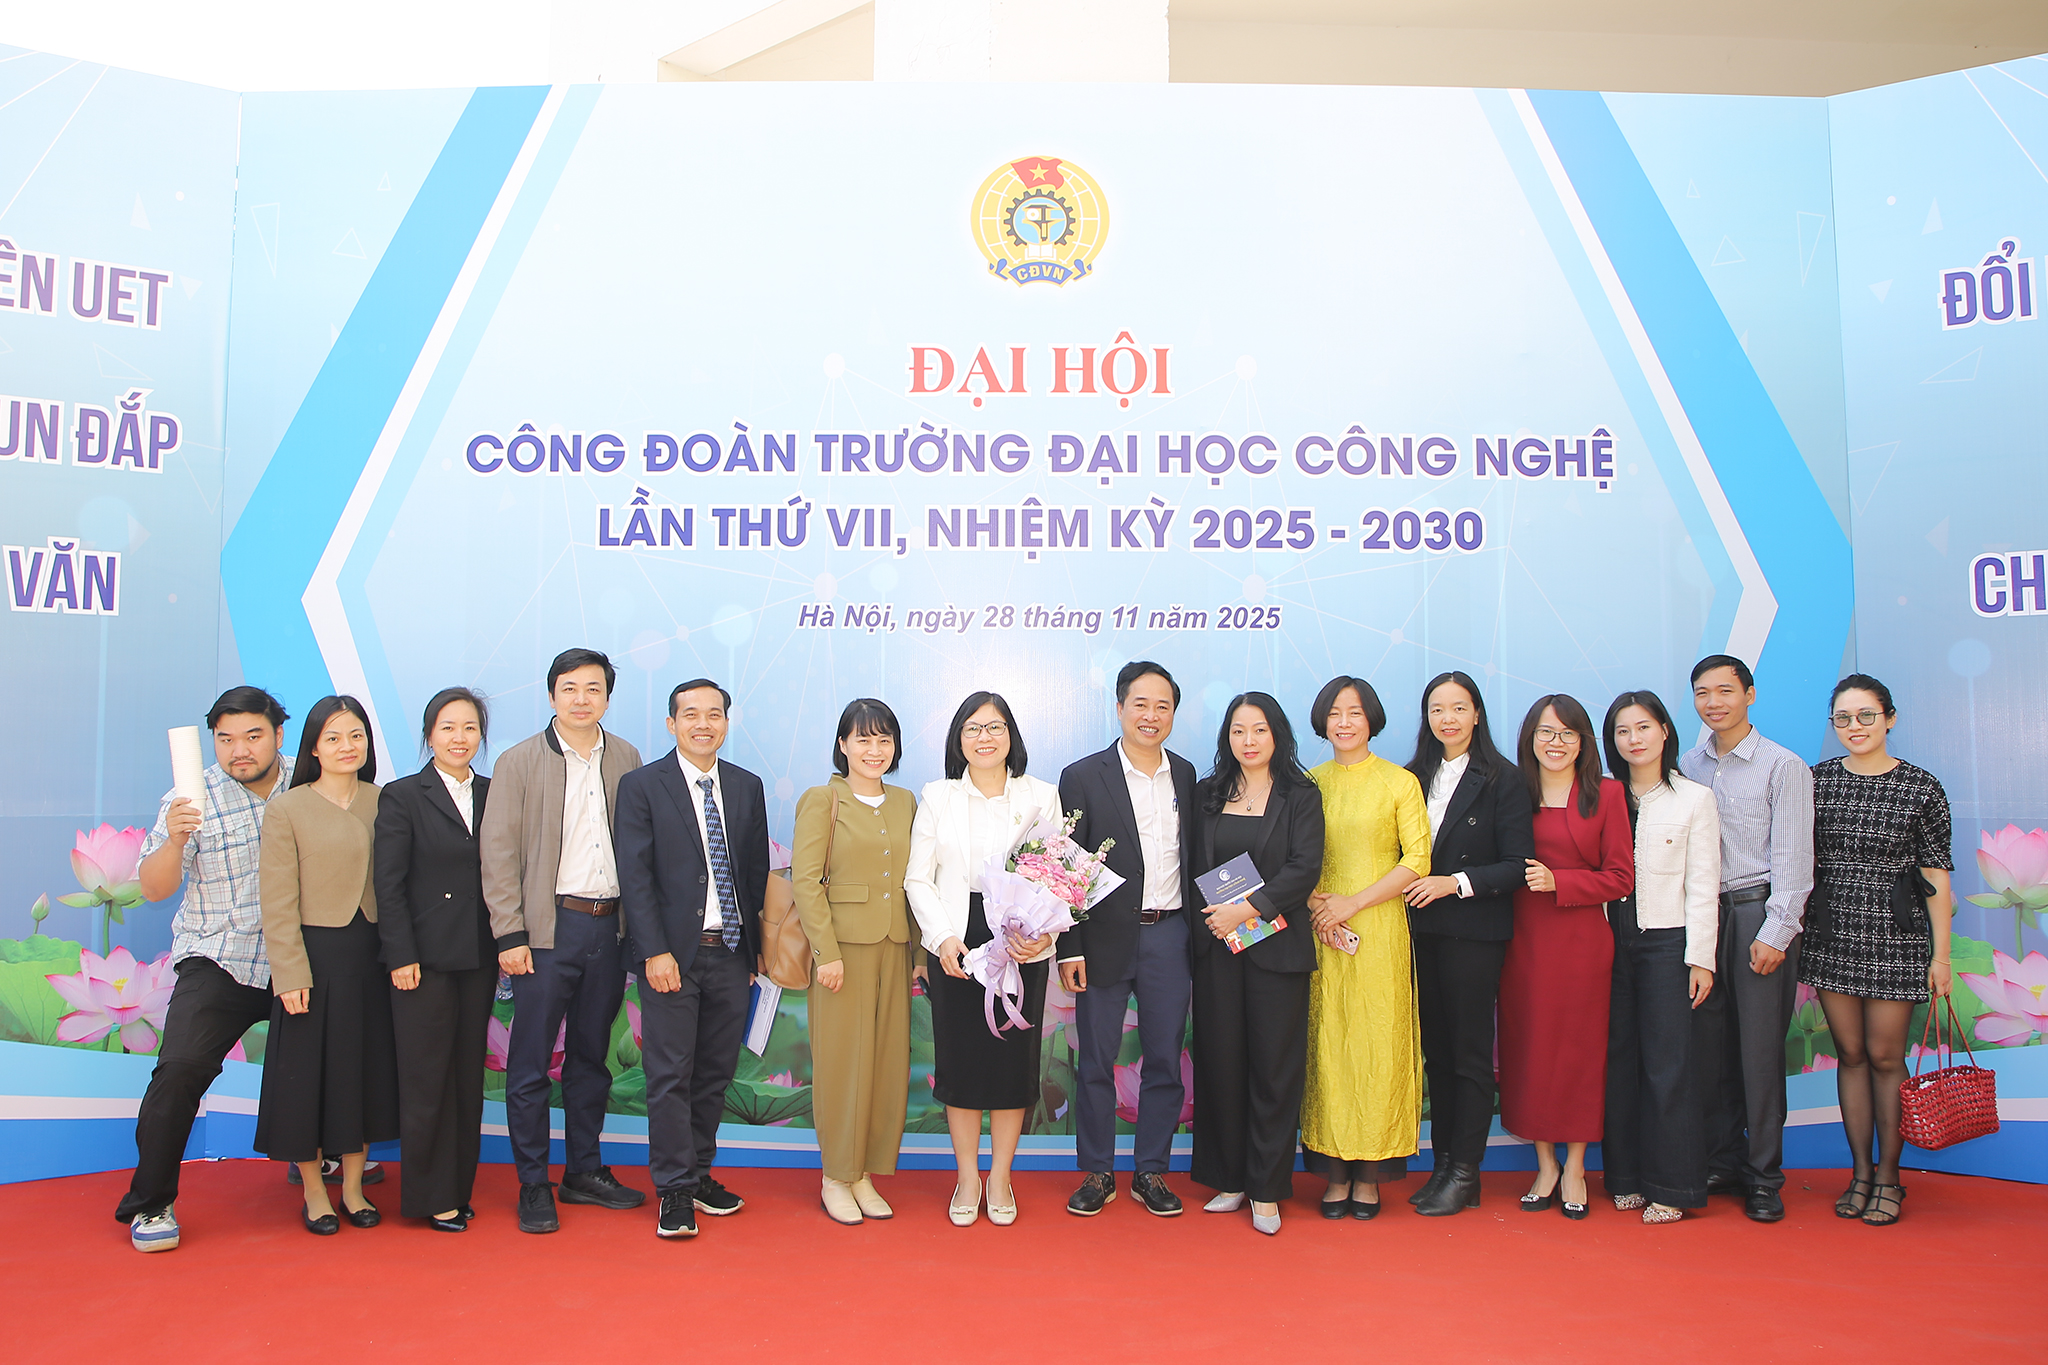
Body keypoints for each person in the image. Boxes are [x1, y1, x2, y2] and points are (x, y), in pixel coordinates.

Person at [116, 688, 301, 1251]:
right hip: (219, 956)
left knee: (334, 1056)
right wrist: (175, 839)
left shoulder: (310, 780)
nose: (239, 750)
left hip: (300, 956)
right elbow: (153, 889)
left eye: (253, 736)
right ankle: (152, 1203)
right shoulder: (191, 797)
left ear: (278, 735)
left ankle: (320, 1154)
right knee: (179, 1071)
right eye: (226, 739)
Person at [480, 647, 646, 1234]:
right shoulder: (519, 761)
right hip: (547, 930)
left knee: (590, 1059)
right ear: (552, 695)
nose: (581, 699)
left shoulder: (626, 756)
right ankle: (533, 1183)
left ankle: (584, 1171)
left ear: (608, 698)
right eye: (570, 688)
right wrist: (510, 933)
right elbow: (498, 852)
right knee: (529, 1063)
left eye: (593, 688)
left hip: (608, 927)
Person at [615, 678, 768, 1239]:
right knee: (669, 1076)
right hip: (670, 958)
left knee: (713, 1074)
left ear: (726, 721)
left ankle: (700, 1174)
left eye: (714, 714)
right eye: (691, 714)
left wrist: (751, 952)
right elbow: (635, 877)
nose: (703, 724)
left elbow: (754, 874)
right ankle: (674, 1189)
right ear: (671, 724)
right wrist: (654, 950)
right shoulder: (641, 786)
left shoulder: (746, 786)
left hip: (729, 954)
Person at [904, 691, 1063, 1227]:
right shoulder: (938, 796)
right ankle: (968, 1177)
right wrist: (943, 938)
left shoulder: (1041, 795)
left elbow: (1058, 880)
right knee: (962, 1061)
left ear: (1011, 736)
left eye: (995, 727)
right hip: (958, 938)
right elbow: (918, 878)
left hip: (1022, 937)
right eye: (973, 728)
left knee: (1013, 1062)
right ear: (958, 740)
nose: (985, 737)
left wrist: (1042, 938)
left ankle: (1000, 1177)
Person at [1802, 674, 1954, 1227]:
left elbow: (1936, 875)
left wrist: (1941, 957)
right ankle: (1861, 1173)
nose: (1855, 727)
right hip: (1832, 935)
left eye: (1866, 715)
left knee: (1887, 1057)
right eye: (1843, 718)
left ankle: (1890, 1176)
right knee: (1851, 1056)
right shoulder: (1816, 781)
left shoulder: (1921, 787)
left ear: (1889, 719)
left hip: (1897, 936)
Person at [1057, 661, 1200, 1218]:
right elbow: (1066, 869)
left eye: (1163, 706)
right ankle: (1097, 1171)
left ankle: (1151, 1172)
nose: (1151, 715)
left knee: (1165, 1057)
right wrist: (1070, 945)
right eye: (1140, 704)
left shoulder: (1186, 775)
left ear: (1173, 714)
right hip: (1102, 939)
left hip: (1171, 935)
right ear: (1119, 708)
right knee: (1096, 1058)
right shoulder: (1082, 776)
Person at [253, 695, 396, 1235]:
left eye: (356, 735)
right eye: (333, 737)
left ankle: (354, 1188)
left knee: (363, 1073)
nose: (346, 746)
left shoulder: (386, 801)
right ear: (313, 746)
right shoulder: (288, 808)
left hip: (372, 958)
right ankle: (315, 1191)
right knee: (307, 1078)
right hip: (313, 959)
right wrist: (289, 974)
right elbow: (277, 901)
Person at [1680, 654, 1814, 1224]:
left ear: (1750, 695)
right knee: (1709, 1049)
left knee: (1758, 1054)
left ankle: (1763, 1177)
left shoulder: (1784, 766)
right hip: (1703, 919)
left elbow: (1794, 859)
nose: (1714, 702)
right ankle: (1722, 1162)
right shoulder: (1687, 765)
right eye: (1702, 693)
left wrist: (1776, 931)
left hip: (1757, 913)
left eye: (1725, 691)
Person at [1190, 692, 1324, 1236]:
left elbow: (1304, 868)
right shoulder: (1207, 793)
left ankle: (1266, 1189)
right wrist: (1218, 921)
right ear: (1227, 737)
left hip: (1277, 951)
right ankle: (1230, 1180)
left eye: (1260, 730)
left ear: (1278, 735)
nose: (1249, 741)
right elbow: (1193, 863)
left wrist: (1245, 910)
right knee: (1222, 1065)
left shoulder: (1300, 794)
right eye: (1239, 731)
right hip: (1218, 951)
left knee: (1273, 1070)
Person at [1400, 671, 1534, 1217]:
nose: (1448, 718)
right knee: (1438, 1053)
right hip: (1419, 933)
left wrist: (1453, 883)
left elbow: (1517, 866)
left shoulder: (1503, 778)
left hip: (1473, 933)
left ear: (1477, 714)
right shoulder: (1412, 776)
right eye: (1437, 709)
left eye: (1459, 707)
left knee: (1470, 1054)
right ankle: (1443, 1165)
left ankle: (1465, 1171)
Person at [1497, 694, 1632, 1220]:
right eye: (1545, 733)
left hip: (1581, 943)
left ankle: (1575, 1166)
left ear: (1582, 742)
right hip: (1523, 941)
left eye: (1567, 734)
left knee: (1579, 1053)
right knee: (1530, 1048)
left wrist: (1562, 882)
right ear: (1529, 739)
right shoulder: (1512, 791)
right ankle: (1545, 1164)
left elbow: (1621, 877)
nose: (1555, 743)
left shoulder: (1608, 794)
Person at [1301, 676, 1431, 1220]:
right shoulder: (1308, 783)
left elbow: (1417, 860)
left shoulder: (1400, 782)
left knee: (1378, 1040)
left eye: (1354, 712)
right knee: (1328, 1042)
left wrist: (1352, 903)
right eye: (1335, 713)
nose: (1345, 722)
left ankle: (1371, 1175)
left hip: (1378, 930)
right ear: (1322, 721)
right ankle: (1334, 1172)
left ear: (1371, 718)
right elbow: (1292, 853)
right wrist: (1316, 903)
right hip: (1321, 930)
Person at [791, 698, 919, 1225]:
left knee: (887, 1065)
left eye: (884, 739)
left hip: (895, 946)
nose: (874, 749)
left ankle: (864, 1172)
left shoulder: (906, 801)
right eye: (863, 739)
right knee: (844, 1064)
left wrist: (918, 953)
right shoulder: (823, 799)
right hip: (841, 953)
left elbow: (916, 881)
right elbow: (805, 882)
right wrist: (826, 953)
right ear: (843, 744)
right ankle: (835, 1176)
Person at [374, 686, 494, 1231]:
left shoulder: (494, 792)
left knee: (467, 1077)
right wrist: (401, 954)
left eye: (469, 727)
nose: (459, 738)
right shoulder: (403, 796)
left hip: (479, 955)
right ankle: (430, 1195)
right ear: (429, 735)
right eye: (448, 727)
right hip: (422, 961)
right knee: (427, 1079)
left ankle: (457, 1187)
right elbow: (389, 885)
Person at [1601, 690, 1719, 1224]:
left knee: (1668, 1066)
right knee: (1619, 1061)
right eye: (1623, 731)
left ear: (1665, 731)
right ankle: (1625, 1178)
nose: (1634, 739)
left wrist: (1701, 958)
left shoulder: (1694, 798)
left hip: (1668, 942)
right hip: (1608, 940)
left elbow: (1704, 884)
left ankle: (1672, 1186)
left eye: (1644, 727)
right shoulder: (1602, 796)